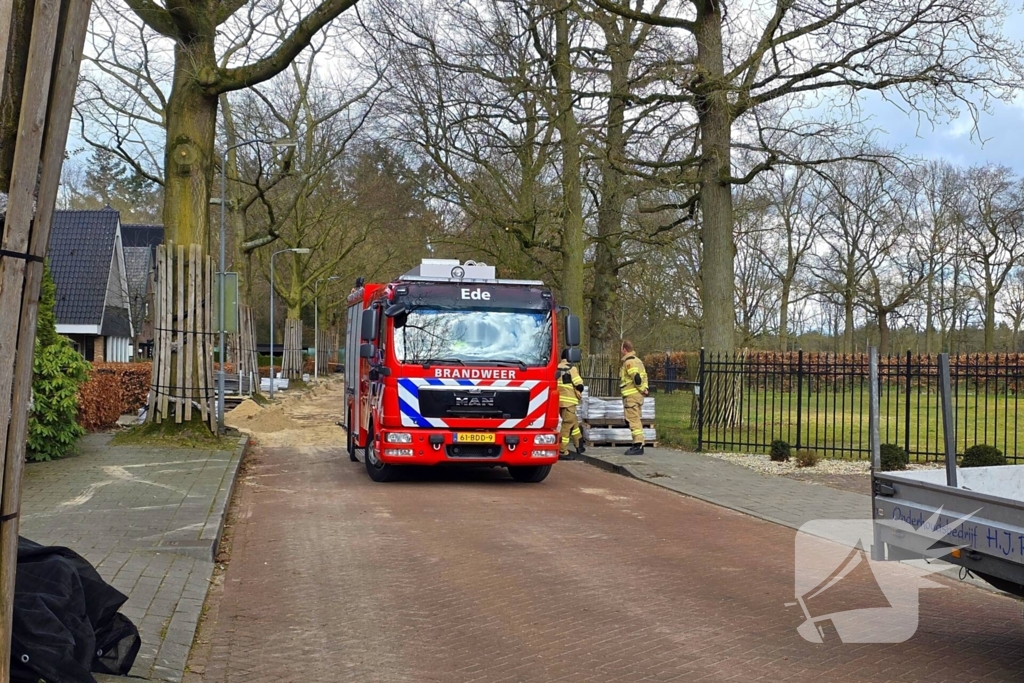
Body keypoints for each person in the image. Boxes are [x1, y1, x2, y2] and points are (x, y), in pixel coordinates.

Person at [619, 340, 648, 455]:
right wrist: (645, 389)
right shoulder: (638, 361)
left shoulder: (629, 362)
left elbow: (636, 378)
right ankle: (639, 444)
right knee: (636, 420)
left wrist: (642, 388)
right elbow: (644, 376)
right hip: (638, 396)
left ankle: (638, 445)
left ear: (624, 349)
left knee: (633, 421)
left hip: (631, 396)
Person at [557, 349, 586, 460]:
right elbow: (579, 385)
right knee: (567, 426)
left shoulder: (556, 368)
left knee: (573, 422)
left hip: (560, 403)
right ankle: (562, 450)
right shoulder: (571, 368)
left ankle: (579, 445)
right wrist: (579, 390)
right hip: (569, 402)